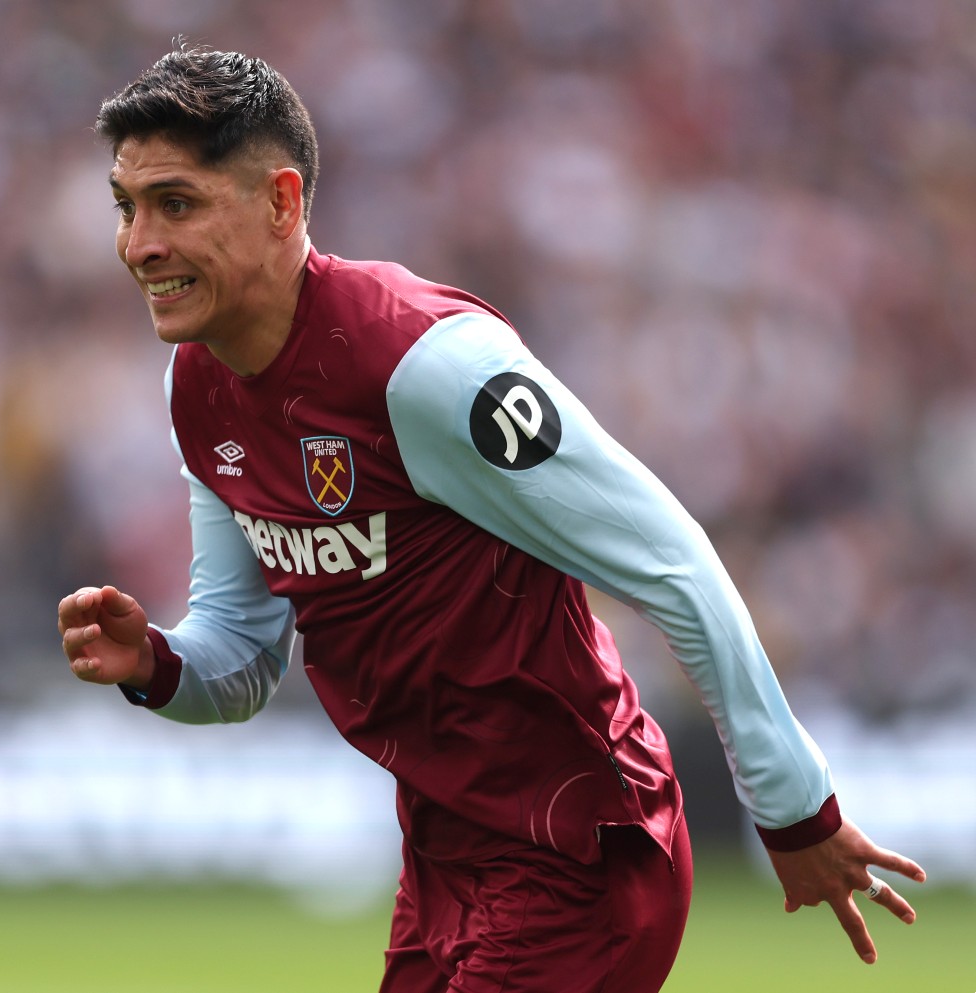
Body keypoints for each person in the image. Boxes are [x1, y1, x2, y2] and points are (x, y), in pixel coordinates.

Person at [57, 43, 925, 992]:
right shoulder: (202, 385)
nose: (138, 243)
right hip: (445, 863)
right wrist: (159, 665)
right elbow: (244, 653)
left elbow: (674, 564)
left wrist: (794, 809)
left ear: (282, 203)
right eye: (126, 206)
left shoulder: (427, 365)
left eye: (175, 204)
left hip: (580, 849)